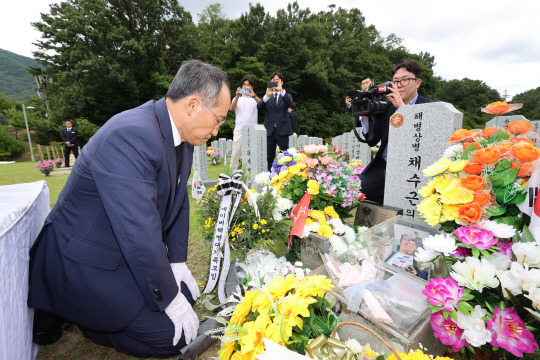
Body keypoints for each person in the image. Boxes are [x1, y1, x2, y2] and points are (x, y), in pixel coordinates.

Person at [28, 60, 231, 357]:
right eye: (218, 119)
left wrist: (176, 262)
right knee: (173, 339)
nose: (216, 130)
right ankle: (73, 312)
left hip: (118, 248)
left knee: (186, 295)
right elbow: (139, 230)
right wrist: (169, 300)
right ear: (192, 105)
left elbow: (178, 200)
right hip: (85, 260)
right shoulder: (132, 135)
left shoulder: (182, 137)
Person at [360, 60, 435, 204]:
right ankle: (390, 199)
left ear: (418, 82)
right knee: (359, 189)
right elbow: (372, 140)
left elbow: (425, 141)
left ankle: (395, 200)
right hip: (386, 163)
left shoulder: (431, 107)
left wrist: (403, 109)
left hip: (415, 165)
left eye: (405, 80)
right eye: (395, 81)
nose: (399, 84)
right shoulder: (386, 107)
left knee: (415, 199)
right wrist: (365, 117)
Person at [257, 72, 294, 170]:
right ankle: (270, 176)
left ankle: (285, 177)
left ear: (282, 82)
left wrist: (281, 91)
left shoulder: (287, 95)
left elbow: (290, 104)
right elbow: (259, 108)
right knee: (270, 157)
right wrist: (266, 96)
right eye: (273, 81)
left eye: (277, 81)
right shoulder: (268, 97)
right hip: (270, 131)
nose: (275, 82)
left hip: (282, 130)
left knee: (285, 156)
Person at [229, 76, 260, 170]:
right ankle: (232, 174)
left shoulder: (254, 99)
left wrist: (253, 95)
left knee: (252, 153)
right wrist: (237, 96)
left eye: (248, 85)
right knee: (235, 153)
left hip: (252, 130)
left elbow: (263, 106)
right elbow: (232, 108)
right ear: (241, 87)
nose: (246, 87)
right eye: (244, 85)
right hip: (239, 129)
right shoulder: (237, 98)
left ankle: (252, 173)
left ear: (252, 88)